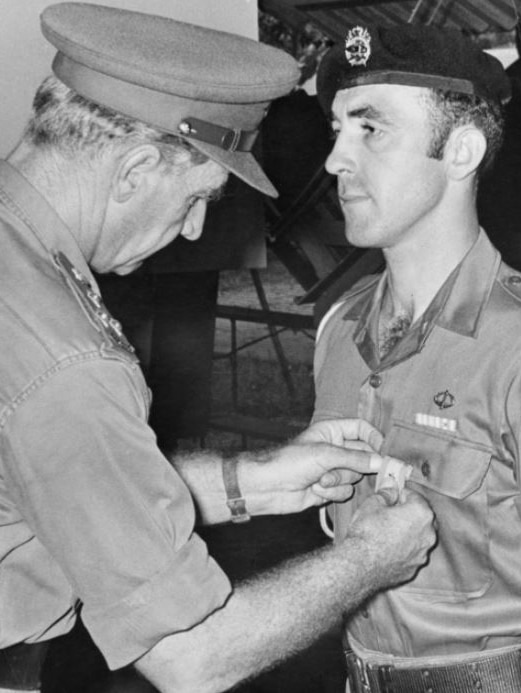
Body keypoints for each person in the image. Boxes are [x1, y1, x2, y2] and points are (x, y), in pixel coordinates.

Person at [0, 5, 436, 693]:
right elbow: (192, 657)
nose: (196, 228)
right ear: (136, 168)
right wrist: (370, 557)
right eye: (198, 197)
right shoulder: (65, 359)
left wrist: (254, 480)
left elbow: (60, 485)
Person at [312, 20, 521, 693]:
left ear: (459, 150)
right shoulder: (338, 330)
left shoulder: (512, 346)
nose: (335, 160)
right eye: (337, 129)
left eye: (370, 128)